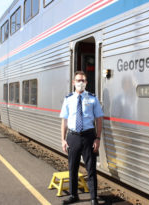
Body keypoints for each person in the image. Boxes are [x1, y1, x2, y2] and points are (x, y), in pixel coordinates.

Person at [60, 71, 104, 205]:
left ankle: (93, 197)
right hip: (73, 137)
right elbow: (64, 121)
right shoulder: (68, 99)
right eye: (78, 80)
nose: (81, 83)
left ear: (86, 83)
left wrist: (97, 138)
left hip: (88, 137)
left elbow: (99, 119)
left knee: (91, 168)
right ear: (73, 82)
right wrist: (63, 139)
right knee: (72, 167)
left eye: (83, 80)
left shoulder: (92, 98)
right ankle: (74, 195)